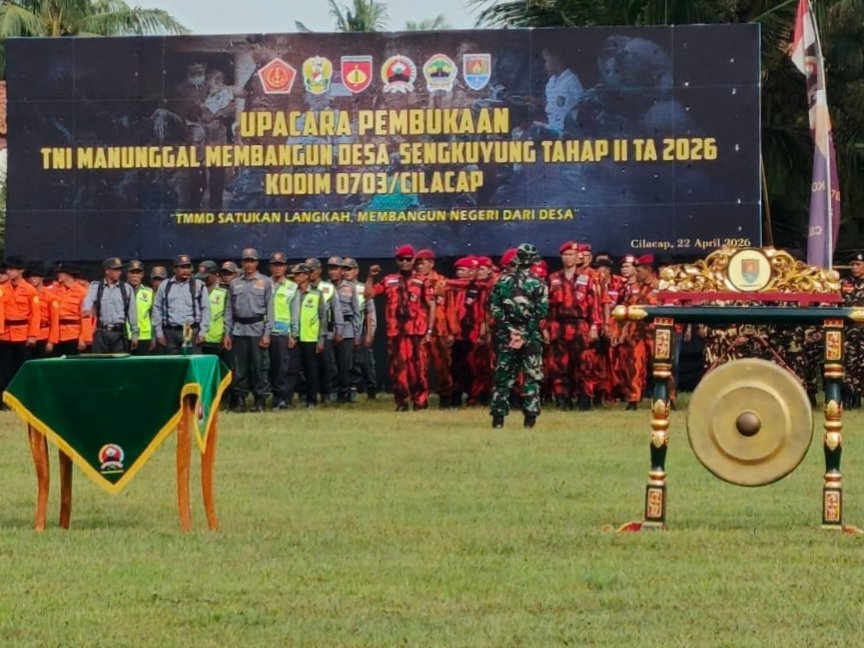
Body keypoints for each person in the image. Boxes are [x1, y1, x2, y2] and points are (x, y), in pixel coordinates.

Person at [365, 245, 436, 411]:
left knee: (418, 368)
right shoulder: (389, 280)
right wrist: (370, 277)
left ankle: (420, 402)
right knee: (398, 369)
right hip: (396, 332)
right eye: (401, 259)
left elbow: (431, 305)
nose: (405, 262)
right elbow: (368, 295)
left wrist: (430, 331)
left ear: (413, 260)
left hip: (417, 332)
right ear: (396, 261)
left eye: (408, 259)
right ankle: (401, 402)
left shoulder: (422, 280)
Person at [489, 243, 549, 429]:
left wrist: (510, 330)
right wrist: (524, 333)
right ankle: (529, 420)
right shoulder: (539, 283)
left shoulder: (501, 281)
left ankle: (498, 420)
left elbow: (495, 309)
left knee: (503, 379)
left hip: (508, 336)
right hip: (530, 337)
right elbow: (541, 312)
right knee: (532, 378)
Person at [547, 241, 603, 411]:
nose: (568, 258)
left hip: (581, 324)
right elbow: (548, 306)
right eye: (565, 255)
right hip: (560, 325)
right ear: (561, 257)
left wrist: (595, 326)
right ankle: (563, 399)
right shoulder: (554, 278)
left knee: (584, 364)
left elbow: (594, 304)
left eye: (571, 254)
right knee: (560, 365)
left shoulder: (588, 278)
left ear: (578, 257)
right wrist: (546, 327)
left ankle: (585, 399)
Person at [223, 248, 273, 412]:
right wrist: (227, 333)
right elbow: (229, 310)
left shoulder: (265, 282)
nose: (249, 264)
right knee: (239, 369)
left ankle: (260, 401)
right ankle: (240, 401)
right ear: (242, 263)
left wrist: (266, 334)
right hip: (238, 330)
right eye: (246, 261)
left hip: (257, 330)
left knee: (260, 367)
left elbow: (270, 311)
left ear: (257, 263)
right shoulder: (235, 283)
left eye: (252, 261)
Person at [413, 249, 454, 409]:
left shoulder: (442, 282)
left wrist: (451, 330)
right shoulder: (413, 282)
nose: (420, 267)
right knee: (420, 367)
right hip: (420, 330)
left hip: (440, 330)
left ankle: (446, 399)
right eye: (417, 263)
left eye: (423, 263)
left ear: (431, 263)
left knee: (443, 367)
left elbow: (450, 307)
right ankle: (421, 401)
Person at [153, 254, 211, 354]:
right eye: (182, 267)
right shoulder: (165, 285)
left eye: (188, 267)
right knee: (173, 367)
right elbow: (157, 309)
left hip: (191, 331)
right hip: (170, 333)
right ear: (175, 269)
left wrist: (202, 332)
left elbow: (205, 309)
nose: (186, 270)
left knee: (193, 365)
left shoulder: (198, 285)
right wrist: (159, 333)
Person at [289, 263, 327, 408]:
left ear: (305, 276)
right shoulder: (292, 293)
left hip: (311, 338)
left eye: (298, 274)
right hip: (295, 337)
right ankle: (300, 396)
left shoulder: (316, 294)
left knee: (311, 370)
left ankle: (312, 399)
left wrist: (321, 339)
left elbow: (323, 318)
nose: (296, 278)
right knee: (295, 369)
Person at [0, 256, 40, 390]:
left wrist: (33, 335)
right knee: (5, 369)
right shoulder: (3, 289)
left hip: (23, 335)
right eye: (8, 269)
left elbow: (35, 315)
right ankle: (6, 400)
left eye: (12, 269)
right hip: (5, 334)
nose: (9, 272)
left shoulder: (30, 290)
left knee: (22, 369)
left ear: (21, 270)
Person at [83, 257, 138, 353]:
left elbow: (132, 313)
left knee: (119, 365)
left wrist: (135, 334)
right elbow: (87, 303)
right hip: (101, 333)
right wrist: (87, 309)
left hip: (119, 333)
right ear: (107, 271)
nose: (119, 272)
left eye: (120, 269)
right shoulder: (96, 287)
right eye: (116, 269)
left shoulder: (126, 289)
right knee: (99, 365)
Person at [343, 257, 378, 400]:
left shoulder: (363, 288)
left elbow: (370, 312)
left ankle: (372, 388)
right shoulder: (338, 288)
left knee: (365, 361)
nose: (346, 272)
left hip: (361, 330)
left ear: (356, 271)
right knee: (349, 362)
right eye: (343, 269)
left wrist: (370, 333)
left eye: (349, 269)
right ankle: (351, 389)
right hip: (346, 330)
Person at [269, 251, 298, 409]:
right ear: (270, 267)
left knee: (282, 367)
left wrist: (294, 333)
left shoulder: (292, 287)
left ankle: (280, 398)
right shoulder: (264, 283)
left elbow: (294, 312)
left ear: (285, 267)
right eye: (275, 265)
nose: (277, 268)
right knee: (265, 366)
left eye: (280, 265)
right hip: (264, 331)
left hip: (282, 332)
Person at [331, 255, 362, 403]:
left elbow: (357, 312)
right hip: (330, 329)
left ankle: (345, 392)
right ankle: (333, 391)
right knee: (332, 363)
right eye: (331, 268)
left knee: (345, 364)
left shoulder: (350, 288)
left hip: (347, 329)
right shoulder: (326, 287)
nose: (333, 271)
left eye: (336, 268)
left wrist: (357, 334)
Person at [47, 263, 92, 356]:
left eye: (61, 273)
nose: (58, 275)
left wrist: (83, 338)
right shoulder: (54, 290)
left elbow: (86, 318)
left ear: (69, 274)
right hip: (57, 336)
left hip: (73, 335)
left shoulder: (82, 292)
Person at [542, 48, 583, 132]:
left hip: (566, 130)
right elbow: (552, 104)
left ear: (555, 60)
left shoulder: (571, 79)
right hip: (551, 127)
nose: (545, 65)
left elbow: (581, 103)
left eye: (546, 61)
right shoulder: (550, 82)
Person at [126, 260, 155, 355]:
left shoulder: (149, 292)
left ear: (142, 275)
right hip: (126, 335)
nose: (135, 276)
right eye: (132, 273)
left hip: (145, 336)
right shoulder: (121, 290)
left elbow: (154, 316)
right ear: (127, 274)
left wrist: (153, 336)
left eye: (138, 273)